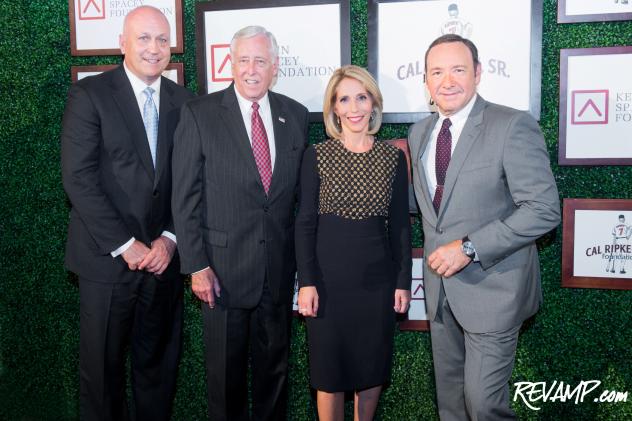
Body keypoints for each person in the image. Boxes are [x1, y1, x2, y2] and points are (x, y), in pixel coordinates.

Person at [408, 34, 560, 420]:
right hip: (441, 294)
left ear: (477, 73)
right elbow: (435, 209)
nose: (447, 80)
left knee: (484, 404)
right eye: (437, 72)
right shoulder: (420, 134)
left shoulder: (511, 125)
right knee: (451, 406)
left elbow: (543, 209)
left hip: (495, 291)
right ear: (425, 80)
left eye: (458, 69)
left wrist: (470, 247)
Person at [61, 6, 192, 421]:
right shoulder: (91, 95)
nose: (154, 49)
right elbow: (78, 179)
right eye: (143, 38)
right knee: (102, 379)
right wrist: (126, 245)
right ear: (122, 43)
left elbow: (190, 181)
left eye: (161, 40)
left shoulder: (184, 102)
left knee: (158, 375)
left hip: (163, 265)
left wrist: (170, 240)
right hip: (106, 265)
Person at [172, 26, 309, 421]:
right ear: (231, 63)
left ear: (275, 67)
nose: (252, 69)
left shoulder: (295, 114)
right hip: (220, 275)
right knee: (225, 383)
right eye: (244, 60)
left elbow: (297, 201)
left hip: (278, 274)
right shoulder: (199, 114)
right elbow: (185, 198)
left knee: (275, 378)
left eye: (261, 61)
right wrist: (196, 266)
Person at [295, 65, 412, 421]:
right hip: (327, 283)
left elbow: (401, 230)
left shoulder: (393, 157)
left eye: (361, 97)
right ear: (333, 108)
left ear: (373, 103)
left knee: (371, 368)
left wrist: (402, 282)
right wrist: (307, 282)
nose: (354, 107)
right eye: (344, 99)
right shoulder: (317, 155)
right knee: (329, 374)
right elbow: (304, 224)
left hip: (376, 283)